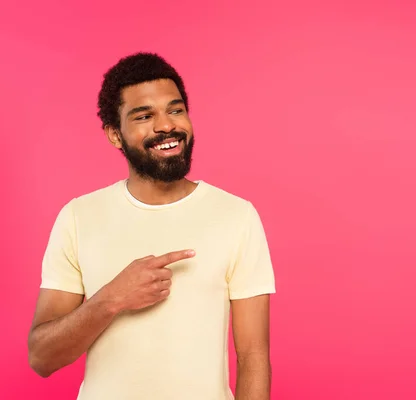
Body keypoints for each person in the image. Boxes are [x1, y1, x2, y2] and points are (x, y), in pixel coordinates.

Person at [27, 52, 276, 400]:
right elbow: (41, 357)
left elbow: (253, 356)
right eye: (144, 116)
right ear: (115, 135)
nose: (166, 125)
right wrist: (110, 300)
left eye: (175, 110)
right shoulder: (79, 217)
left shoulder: (236, 215)